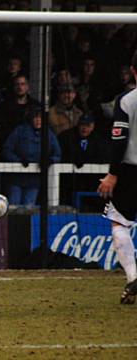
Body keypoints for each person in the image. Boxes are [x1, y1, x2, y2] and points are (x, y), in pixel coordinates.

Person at [97, 49, 137, 304]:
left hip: (131, 170)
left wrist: (112, 174)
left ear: (133, 71)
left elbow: (119, 140)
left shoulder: (126, 101)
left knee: (119, 223)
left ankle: (133, 277)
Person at [1, 107, 61, 205]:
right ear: (31, 118)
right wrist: (18, 161)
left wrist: (49, 160)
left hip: (35, 179)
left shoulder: (49, 134)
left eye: (40, 118)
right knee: (14, 205)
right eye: (35, 117)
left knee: (29, 206)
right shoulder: (20, 131)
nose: (38, 120)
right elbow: (7, 150)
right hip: (16, 177)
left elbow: (57, 154)